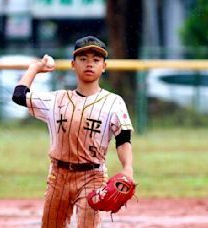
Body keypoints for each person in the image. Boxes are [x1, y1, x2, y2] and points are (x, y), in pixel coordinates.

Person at [12, 36, 134, 228]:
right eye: (83, 59)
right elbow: (19, 96)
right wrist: (34, 69)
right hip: (58, 177)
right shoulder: (57, 100)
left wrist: (128, 168)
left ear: (104, 66)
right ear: (73, 64)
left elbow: (123, 138)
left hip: (93, 177)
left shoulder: (114, 102)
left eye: (96, 59)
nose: (89, 64)